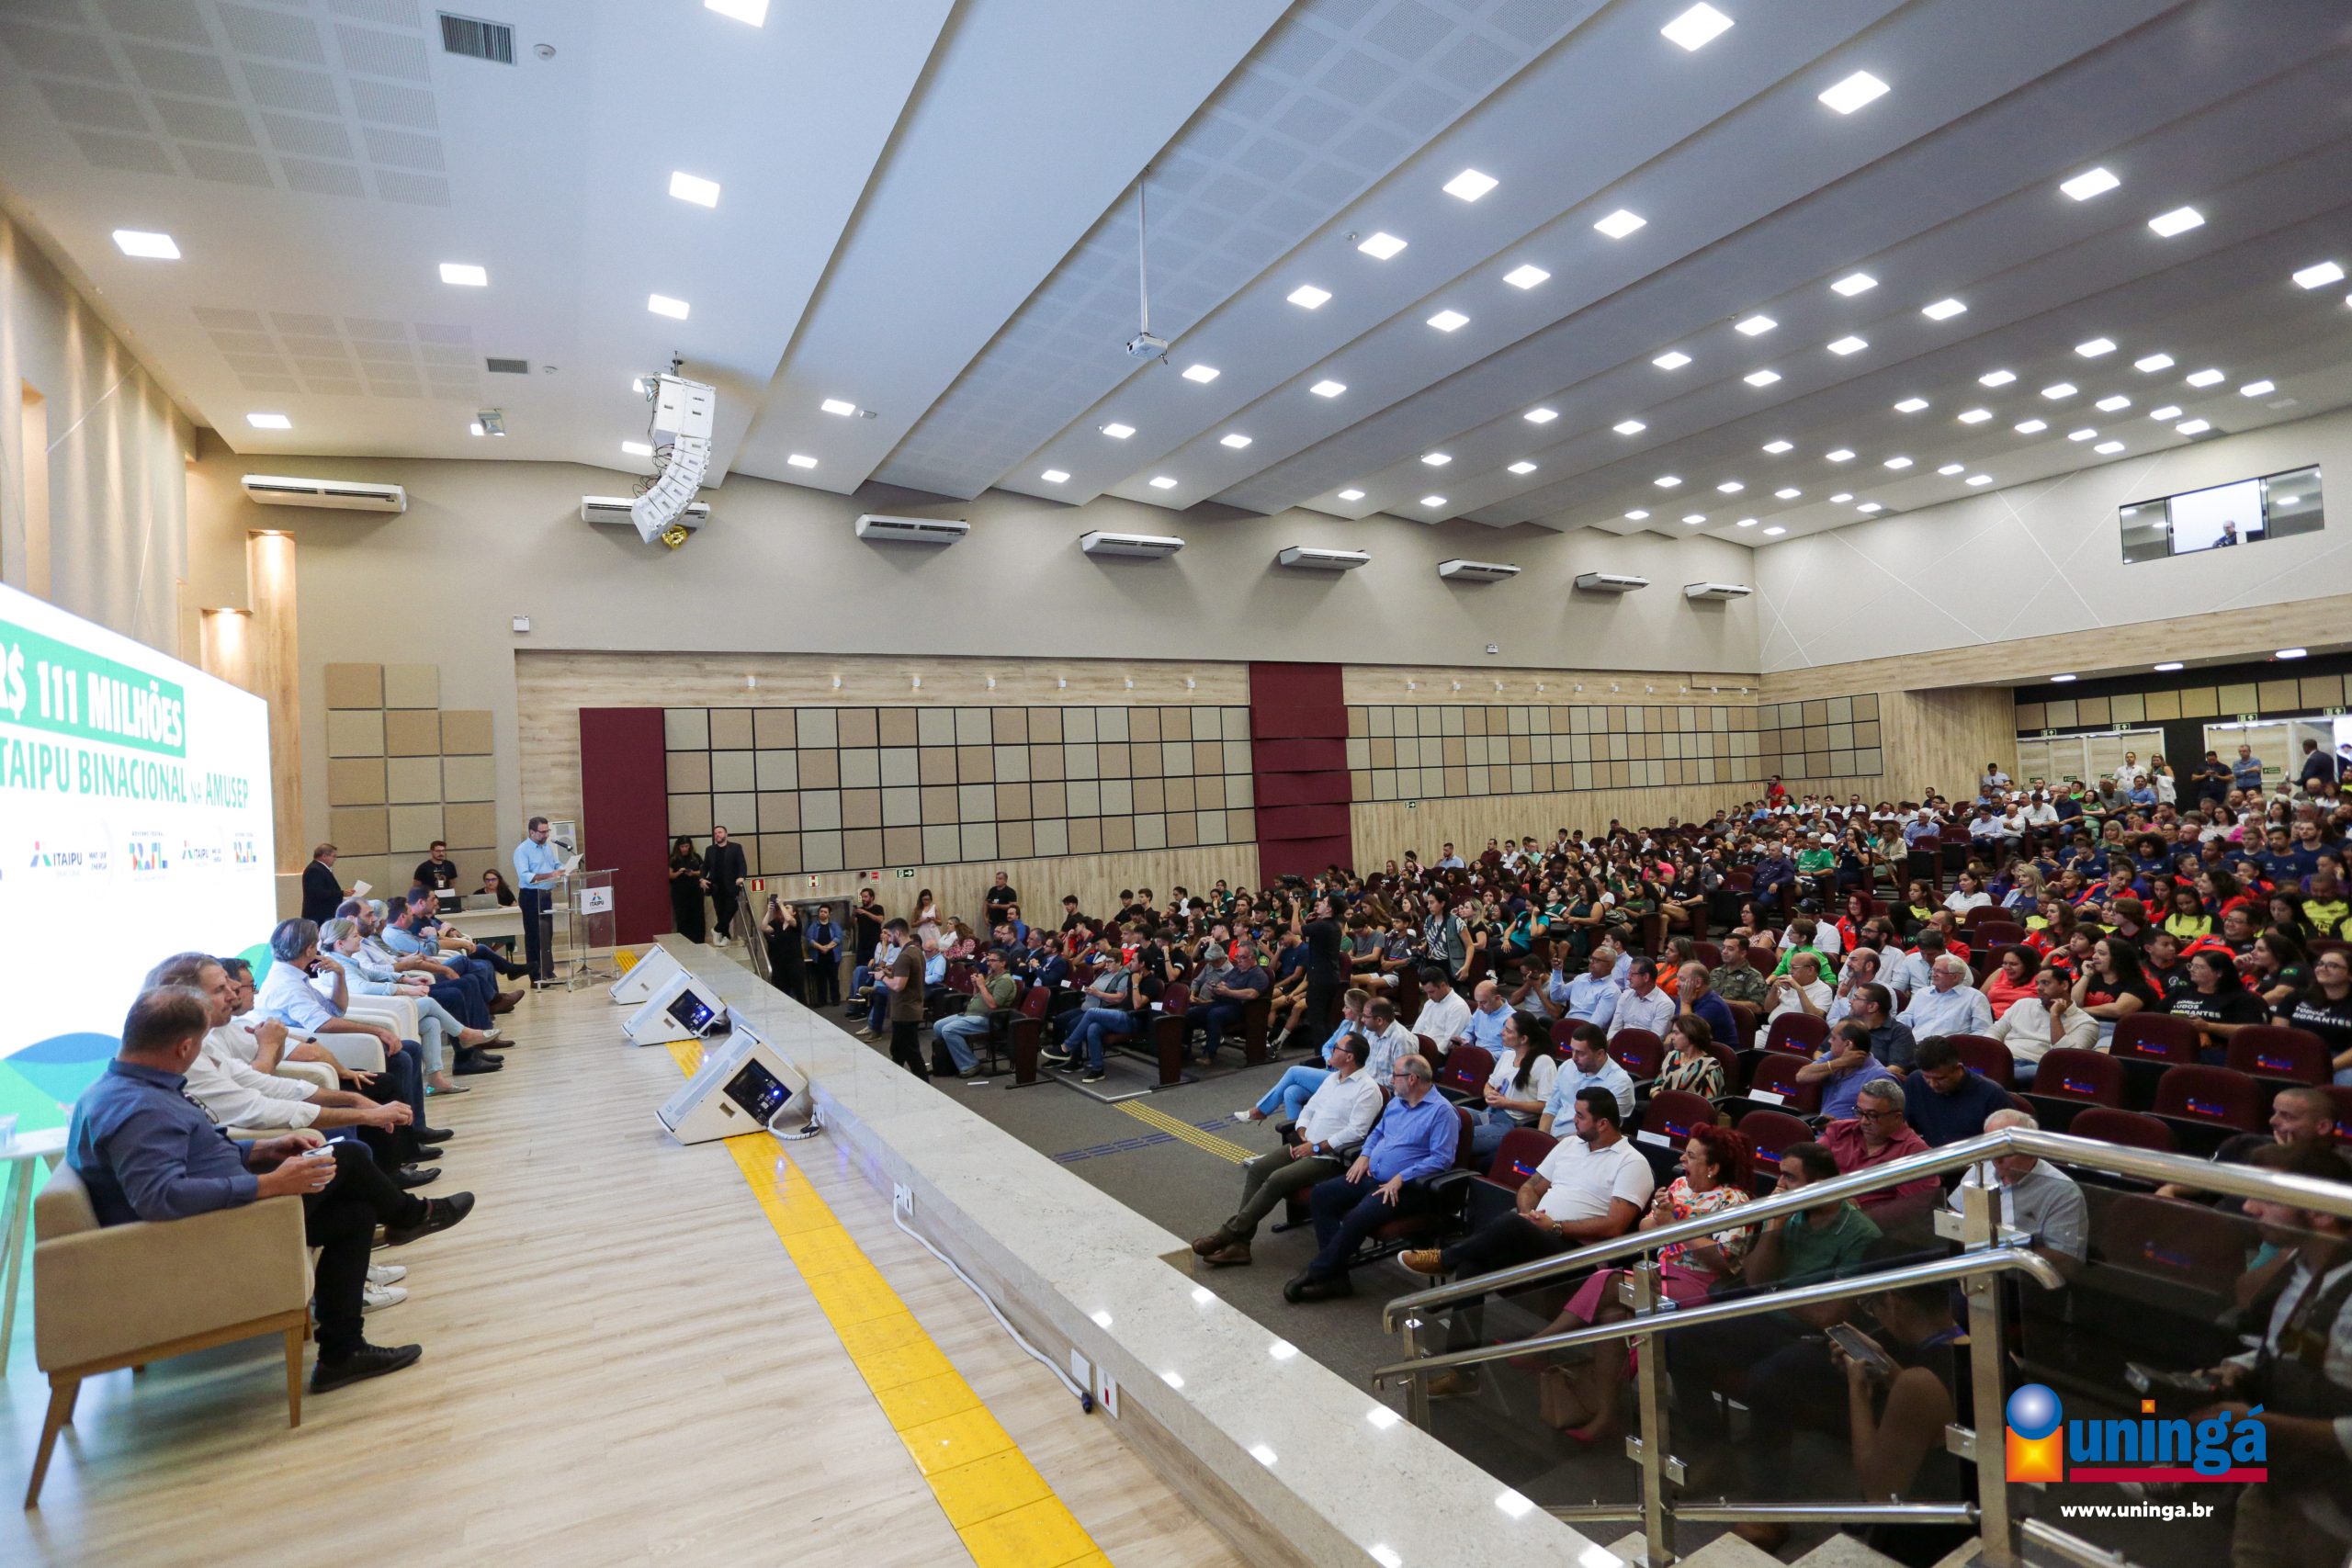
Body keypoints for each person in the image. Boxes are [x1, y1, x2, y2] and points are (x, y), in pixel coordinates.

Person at [64, 987, 472, 1397]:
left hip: (219, 1217)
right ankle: (412, 1216)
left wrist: (262, 1150)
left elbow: (193, 1156)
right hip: (197, 1240)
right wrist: (269, 1183)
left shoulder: (128, 1087)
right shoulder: (140, 1109)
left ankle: (341, 1354)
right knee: (347, 1157)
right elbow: (161, 1198)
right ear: (184, 1046)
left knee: (355, 1214)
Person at [1516, 1124, 1753, 1437]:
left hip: (1700, 1285)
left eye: (1691, 1155)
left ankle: (1540, 1344)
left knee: (1607, 1280)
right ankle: (1607, 1415)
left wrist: (1675, 1225)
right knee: (1612, 1315)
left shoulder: (1735, 1201)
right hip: (1660, 1273)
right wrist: (1659, 1216)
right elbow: (1646, 1229)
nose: (1682, 1159)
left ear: (1713, 1167)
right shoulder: (1680, 1186)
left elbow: (1725, 1261)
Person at [2188, 1140, 2352, 1568]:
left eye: (2268, 1197)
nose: (2249, 1207)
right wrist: (2239, 1368)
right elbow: (2294, 1348)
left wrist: (2259, 1424)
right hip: (2279, 1485)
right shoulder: (2303, 1265)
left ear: (2321, 1212)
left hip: (2339, 1511)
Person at [1399, 1086, 1649, 1284]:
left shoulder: (1631, 1162)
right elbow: (1531, 1187)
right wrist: (1529, 1216)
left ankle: (1444, 1259)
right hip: (1539, 1234)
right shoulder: (1570, 1144)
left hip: (1578, 1253)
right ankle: (1460, 1332)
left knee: (1511, 1222)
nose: (1573, 1120)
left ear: (1603, 1124)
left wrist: (1556, 1227)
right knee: (1472, 1263)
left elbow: (1614, 1226)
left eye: (1580, 1116)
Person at [1191, 1033, 1383, 1268]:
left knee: (1277, 1179)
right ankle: (1240, 1245)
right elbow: (1309, 1109)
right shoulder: (1333, 1079)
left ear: (1349, 1057)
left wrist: (1315, 1147)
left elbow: (1357, 1132)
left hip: (1330, 1157)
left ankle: (1227, 1234)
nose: (1332, 1050)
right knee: (1258, 1169)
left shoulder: (1367, 1089)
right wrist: (1302, 1132)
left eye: (1337, 1048)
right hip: (1305, 1145)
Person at [1287, 1055, 1460, 1302]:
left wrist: (1401, 1177)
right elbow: (1377, 1133)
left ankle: (1318, 1271)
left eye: (1396, 1075)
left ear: (1412, 1079)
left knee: (1358, 1217)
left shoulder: (1442, 1112)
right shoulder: (1397, 1102)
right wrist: (1365, 1155)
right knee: (1322, 1195)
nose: (1391, 1079)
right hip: (1372, 1173)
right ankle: (1337, 1278)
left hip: (1406, 1188)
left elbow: (1442, 1159)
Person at [1944, 1109, 2086, 1268]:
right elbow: (1954, 1214)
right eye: (1991, 1148)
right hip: (1971, 1264)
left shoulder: (2063, 1192)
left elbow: (2065, 1258)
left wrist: (1997, 1254)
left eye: (2006, 1151)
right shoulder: (1983, 1167)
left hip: (2025, 1275)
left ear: (2031, 1150)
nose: (1996, 1159)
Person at [1820, 1077, 1939, 1213]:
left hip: (1870, 1222)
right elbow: (1809, 1168)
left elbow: (1910, 1210)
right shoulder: (1839, 1130)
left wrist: (1852, 1214)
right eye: (1859, 1112)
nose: (1864, 1121)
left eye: (1873, 1115)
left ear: (1897, 1117)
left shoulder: (1915, 1152)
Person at [1469, 1010, 1557, 1160]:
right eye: (1504, 1027)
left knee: (1460, 1136)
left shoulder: (1543, 1062)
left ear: (1523, 1039)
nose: (1502, 1033)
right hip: (1490, 1112)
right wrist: (1489, 1093)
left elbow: (1546, 1106)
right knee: (1452, 1116)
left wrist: (1508, 1103)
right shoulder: (1507, 1055)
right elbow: (1489, 1084)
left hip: (1512, 1123)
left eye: (1508, 1031)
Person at [1985, 965, 2096, 1084]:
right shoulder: (2023, 1004)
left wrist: (2055, 1017)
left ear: (2064, 985)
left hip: (2039, 1067)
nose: (2039, 988)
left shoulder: (2085, 1023)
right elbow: (1994, 1032)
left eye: (2045, 983)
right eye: (2037, 983)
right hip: (2005, 1060)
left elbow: (2068, 1059)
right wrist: (1994, 1054)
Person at [1903, 1036, 2014, 1147]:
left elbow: (2007, 1144)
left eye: (1941, 1078)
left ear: (1958, 1068)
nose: (1933, 1084)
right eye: (1926, 1077)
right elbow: (1906, 1128)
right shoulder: (1915, 1082)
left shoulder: (1992, 1095)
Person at [1801, 1020, 1904, 1121]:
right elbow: (1801, 1076)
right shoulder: (1833, 1057)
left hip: (1851, 1131)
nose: (1829, 1041)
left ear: (1848, 1044)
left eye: (1834, 1038)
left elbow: (1881, 1122)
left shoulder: (1880, 1077)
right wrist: (1840, 1063)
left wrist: (1839, 1126)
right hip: (1822, 1128)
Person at [1539, 1022, 1635, 1128]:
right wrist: (1543, 1135)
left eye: (1580, 1053)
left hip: (1581, 1138)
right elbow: (1551, 1108)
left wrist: (1564, 1139)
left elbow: (1603, 1130)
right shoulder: (1567, 1066)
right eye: (1572, 1050)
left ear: (1599, 1054)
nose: (1574, 1058)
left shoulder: (1620, 1084)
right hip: (1554, 1134)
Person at [1193, 939, 1272, 1064]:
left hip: (1241, 1008)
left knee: (1214, 1015)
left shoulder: (1258, 975)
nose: (1238, 960)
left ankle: (1209, 1055)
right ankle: (1182, 1048)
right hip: (1222, 1002)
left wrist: (1228, 992)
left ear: (1252, 958)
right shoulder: (1236, 970)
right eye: (1237, 956)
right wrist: (1216, 988)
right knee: (1193, 1012)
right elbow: (1223, 982)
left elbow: (1252, 994)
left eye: (1242, 957)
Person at [876, 918, 929, 1079]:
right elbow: (908, 978)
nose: (889, 939)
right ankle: (894, 1082)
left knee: (911, 1054)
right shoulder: (917, 951)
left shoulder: (905, 956)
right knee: (898, 1051)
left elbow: (898, 985)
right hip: (911, 1008)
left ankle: (925, 1086)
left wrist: (882, 977)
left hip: (905, 1011)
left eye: (890, 935)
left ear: (897, 933)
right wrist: (891, 973)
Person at [512, 815, 563, 984]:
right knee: (534, 936)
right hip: (531, 896)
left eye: (547, 831)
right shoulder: (522, 850)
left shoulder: (546, 847)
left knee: (547, 934)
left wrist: (564, 870)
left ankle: (548, 971)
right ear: (531, 832)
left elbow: (556, 864)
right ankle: (535, 976)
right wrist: (550, 875)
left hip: (546, 895)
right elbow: (526, 876)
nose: (545, 835)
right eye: (542, 832)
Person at [1896, 954, 1993, 1042]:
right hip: (1915, 1045)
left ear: (1955, 977)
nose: (1933, 974)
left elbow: (1982, 1032)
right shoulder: (1922, 993)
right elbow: (1905, 1018)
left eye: (1939, 971)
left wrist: (1962, 1045)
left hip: (1950, 1050)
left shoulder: (1975, 997)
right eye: (1933, 970)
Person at [1655, 1014, 1726, 1099]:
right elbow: (1657, 1086)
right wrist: (1661, 1100)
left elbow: (1708, 1102)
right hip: (1662, 1102)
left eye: (1676, 1033)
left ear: (1691, 1035)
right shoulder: (1672, 1055)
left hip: (1688, 1107)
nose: (1672, 1037)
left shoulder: (1710, 1066)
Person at [701, 825, 749, 947]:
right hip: (715, 886)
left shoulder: (736, 847)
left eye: (720, 832)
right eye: (715, 833)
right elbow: (705, 866)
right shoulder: (710, 850)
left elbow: (742, 864)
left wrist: (741, 876)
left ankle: (716, 930)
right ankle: (726, 937)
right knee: (720, 913)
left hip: (731, 885)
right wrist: (702, 878)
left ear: (726, 834)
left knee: (732, 908)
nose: (717, 835)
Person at [762, 896, 806, 1001]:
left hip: (795, 962)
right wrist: (769, 912)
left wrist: (781, 905)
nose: (785, 908)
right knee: (783, 991)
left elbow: (789, 919)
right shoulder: (777, 924)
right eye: (785, 907)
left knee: (799, 990)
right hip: (780, 963)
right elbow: (764, 928)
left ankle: (804, 1008)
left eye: (788, 907)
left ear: (794, 912)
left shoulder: (796, 923)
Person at [668, 836, 707, 942]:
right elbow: (670, 875)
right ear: (678, 847)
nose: (684, 849)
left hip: (695, 890)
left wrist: (693, 873)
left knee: (697, 915)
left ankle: (699, 940)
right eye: (682, 847)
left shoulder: (696, 857)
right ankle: (684, 940)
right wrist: (679, 872)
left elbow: (703, 871)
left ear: (690, 846)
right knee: (682, 916)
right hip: (679, 891)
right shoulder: (673, 858)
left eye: (686, 846)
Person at [804, 904, 842, 1006]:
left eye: (825, 912)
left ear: (829, 914)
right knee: (820, 980)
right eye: (821, 911)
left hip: (833, 956)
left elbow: (838, 938)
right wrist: (821, 948)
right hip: (818, 957)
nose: (823, 913)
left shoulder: (834, 925)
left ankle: (835, 999)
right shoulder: (814, 926)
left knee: (834, 979)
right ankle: (822, 1000)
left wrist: (827, 948)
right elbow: (809, 939)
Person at [300, 841, 345, 924]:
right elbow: (318, 893)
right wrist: (342, 893)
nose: (335, 859)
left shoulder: (320, 868)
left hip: (324, 914)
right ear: (324, 856)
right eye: (334, 856)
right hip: (319, 915)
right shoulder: (314, 870)